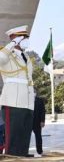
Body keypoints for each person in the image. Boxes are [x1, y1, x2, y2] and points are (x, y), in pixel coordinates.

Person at [0, 25, 35, 156]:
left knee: (24, 136)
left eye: (26, 37)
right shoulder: (7, 54)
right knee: (13, 137)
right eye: (23, 37)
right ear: (15, 39)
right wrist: (12, 44)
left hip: (27, 102)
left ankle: (22, 156)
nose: (26, 39)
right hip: (13, 101)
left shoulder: (26, 56)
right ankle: (12, 158)